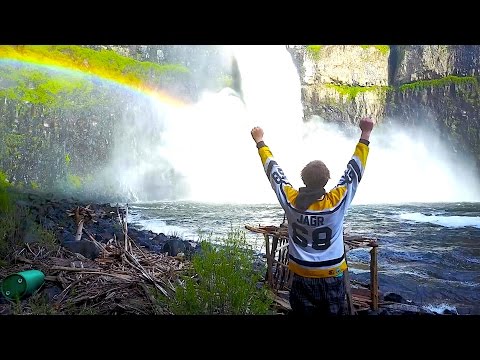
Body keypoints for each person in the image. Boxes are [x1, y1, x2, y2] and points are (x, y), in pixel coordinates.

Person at [250, 117, 375, 315]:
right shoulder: (336, 201)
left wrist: (260, 142)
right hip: (332, 276)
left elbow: (274, 173)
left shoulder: (291, 201)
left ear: (303, 179)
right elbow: (354, 171)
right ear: (327, 180)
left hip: (301, 276)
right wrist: (365, 134)